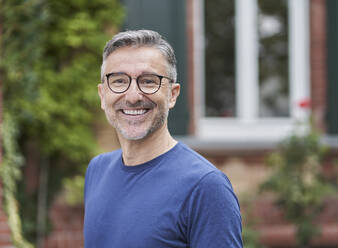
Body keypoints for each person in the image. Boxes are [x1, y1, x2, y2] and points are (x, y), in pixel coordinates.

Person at [83, 29, 243, 247]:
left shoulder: (205, 186)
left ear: (172, 95)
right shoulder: (97, 170)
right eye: (119, 81)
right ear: (102, 95)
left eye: (148, 81)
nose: (132, 96)